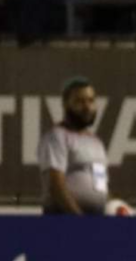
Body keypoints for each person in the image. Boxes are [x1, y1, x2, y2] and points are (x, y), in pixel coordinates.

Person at [37, 77, 110, 216]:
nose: (87, 107)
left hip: (95, 220)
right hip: (64, 220)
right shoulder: (57, 137)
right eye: (79, 101)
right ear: (65, 104)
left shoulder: (96, 142)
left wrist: (113, 208)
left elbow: (101, 187)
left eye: (91, 100)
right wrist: (78, 220)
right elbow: (56, 186)